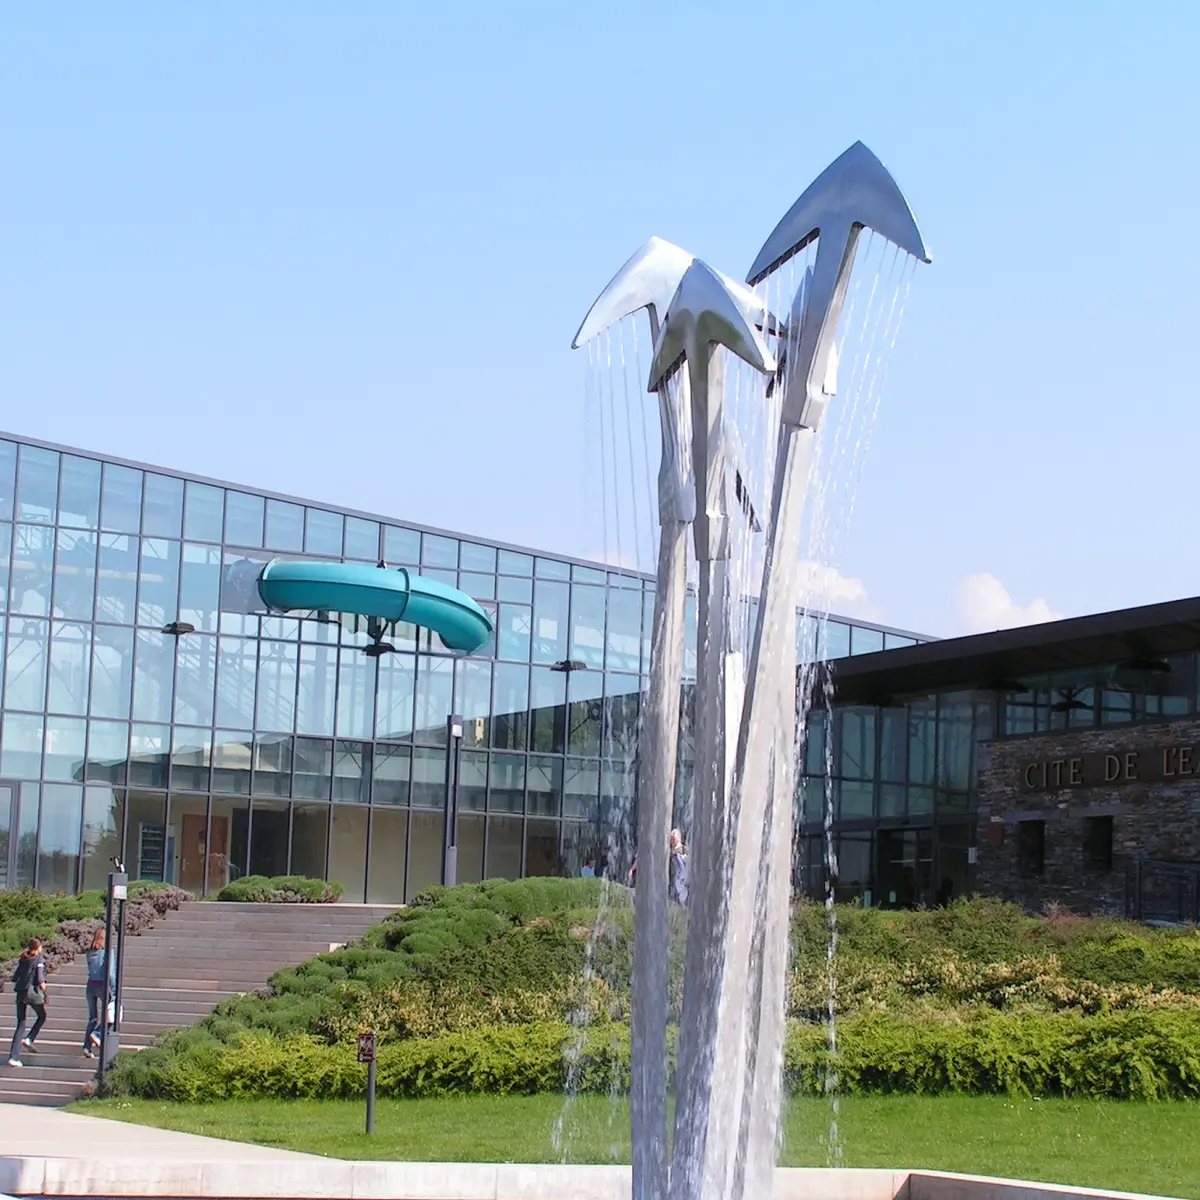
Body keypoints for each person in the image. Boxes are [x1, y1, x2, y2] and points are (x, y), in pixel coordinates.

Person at [8, 937, 48, 1068]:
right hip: (32, 993)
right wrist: (43, 988)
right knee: (42, 1016)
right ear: (37, 948)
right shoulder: (39, 960)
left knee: (21, 1023)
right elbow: (40, 978)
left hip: (20, 993)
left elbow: (15, 978)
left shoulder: (23, 960)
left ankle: (13, 1057)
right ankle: (30, 1038)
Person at [83, 928, 115, 1059]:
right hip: (103, 985)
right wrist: (114, 990)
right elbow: (111, 972)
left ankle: (87, 1046)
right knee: (113, 1015)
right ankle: (97, 1033)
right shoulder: (108, 952)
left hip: (91, 985)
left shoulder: (90, 953)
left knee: (93, 1017)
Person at [669, 829, 688, 906]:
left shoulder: (684, 849)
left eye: (674, 839)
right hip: (673, 880)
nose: (672, 841)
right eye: (671, 839)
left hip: (683, 879)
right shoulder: (669, 852)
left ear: (679, 838)